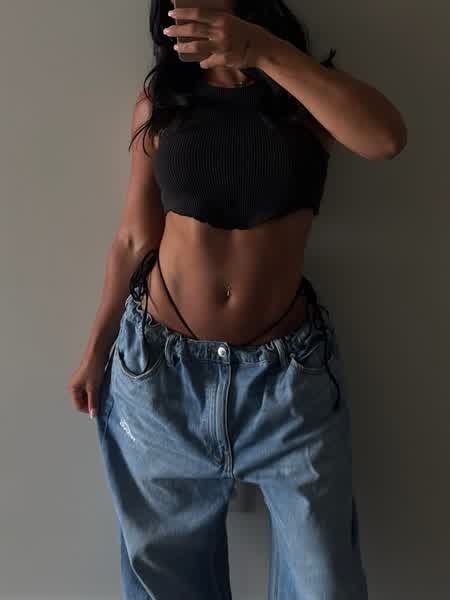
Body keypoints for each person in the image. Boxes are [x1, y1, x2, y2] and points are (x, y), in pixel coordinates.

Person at [67, 1, 407, 598]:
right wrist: (96, 348)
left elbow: (386, 139)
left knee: (324, 583)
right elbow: (133, 238)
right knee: (166, 583)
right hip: (161, 378)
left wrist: (262, 51)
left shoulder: (302, 93)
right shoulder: (163, 103)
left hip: (287, 383)